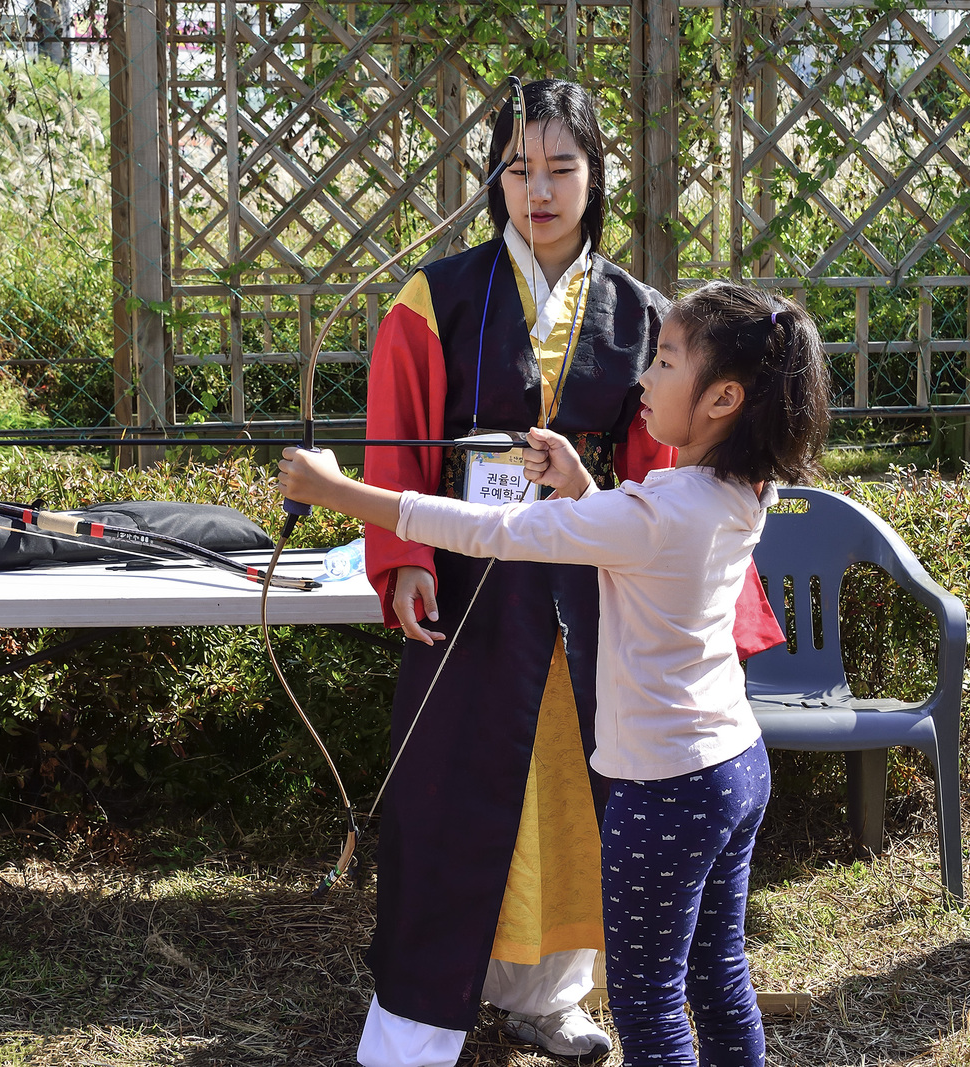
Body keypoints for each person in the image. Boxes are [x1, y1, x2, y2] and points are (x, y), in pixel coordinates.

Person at [282, 281, 831, 1067]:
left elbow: (492, 529)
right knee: (717, 974)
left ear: (723, 399)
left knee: (648, 1001)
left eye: (666, 361)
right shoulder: (739, 490)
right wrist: (580, 486)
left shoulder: (653, 514)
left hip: (666, 790)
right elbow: (641, 544)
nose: (643, 377)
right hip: (735, 766)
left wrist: (338, 491)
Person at [354, 79, 786, 1065]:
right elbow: (395, 434)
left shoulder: (645, 315)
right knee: (452, 794)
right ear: (493, 178)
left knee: (580, 798)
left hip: (597, 603)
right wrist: (403, 559)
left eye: (560, 168)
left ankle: (548, 994)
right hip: (468, 588)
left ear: (595, 178)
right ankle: (417, 1021)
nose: (538, 191)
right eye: (517, 169)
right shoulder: (434, 298)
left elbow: (671, 478)